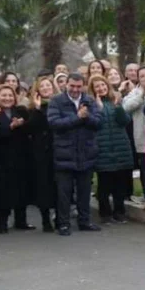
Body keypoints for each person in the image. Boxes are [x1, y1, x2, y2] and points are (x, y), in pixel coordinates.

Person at [48, 72, 102, 236]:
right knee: (64, 192)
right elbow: (54, 123)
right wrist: (77, 118)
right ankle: (63, 224)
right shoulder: (57, 101)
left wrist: (86, 118)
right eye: (72, 86)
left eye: (79, 86)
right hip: (64, 154)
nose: (75, 89)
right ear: (66, 85)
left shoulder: (89, 100)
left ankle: (84, 221)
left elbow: (99, 122)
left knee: (85, 191)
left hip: (86, 153)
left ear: (83, 86)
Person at [0, 84, 35, 234]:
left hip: (21, 156)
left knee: (22, 189)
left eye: (10, 95)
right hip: (1, 158)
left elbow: (30, 129)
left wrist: (22, 125)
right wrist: (10, 128)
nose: (7, 98)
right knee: (2, 192)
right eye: (3, 96)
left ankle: (21, 220)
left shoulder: (21, 111)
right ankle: (1, 223)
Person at [89, 75, 133, 224]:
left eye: (103, 85)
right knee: (104, 185)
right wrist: (100, 109)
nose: (101, 88)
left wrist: (118, 107)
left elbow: (125, 121)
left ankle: (119, 212)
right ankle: (105, 213)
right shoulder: (91, 104)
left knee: (120, 184)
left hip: (120, 147)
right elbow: (95, 125)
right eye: (97, 86)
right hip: (103, 149)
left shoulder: (115, 101)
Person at [123, 65, 145, 206]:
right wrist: (142, 94)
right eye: (142, 76)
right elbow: (126, 107)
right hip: (142, 137)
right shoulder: (135, 93)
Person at [27, 77, 58, 232]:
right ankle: (46, 219)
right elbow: (31, 127)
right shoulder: (33, 109)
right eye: (42, 86)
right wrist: (38, 110)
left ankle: (60, 217)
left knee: (60, 185)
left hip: (58, 149)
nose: (46, 88)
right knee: (43, 185)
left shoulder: (60, 104)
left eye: (48, 85)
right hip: (41, 152)